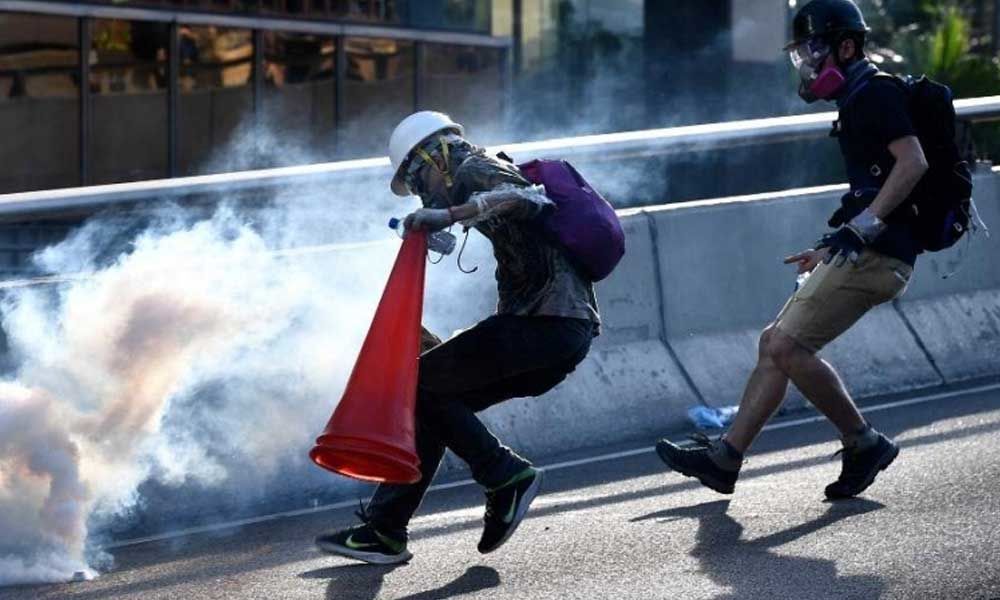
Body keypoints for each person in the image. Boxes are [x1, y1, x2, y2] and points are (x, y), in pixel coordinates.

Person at [655, 0, 929, 500]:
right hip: (867, 248)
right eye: (802, 51)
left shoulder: (875, 93)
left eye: (815, 49)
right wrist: (830, 246)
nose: (806, 62)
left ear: (847, 46)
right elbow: (873, 186)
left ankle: (863, 442)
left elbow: (912, 163)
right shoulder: (856, 99)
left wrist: (864, 229)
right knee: (773, 343)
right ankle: (725, 460)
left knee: (786, 346)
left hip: (882, 253)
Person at [315, 111, 601, 563]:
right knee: (430, 400)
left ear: (434, 156)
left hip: (546, 324)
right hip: (555, 332)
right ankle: (385, 530)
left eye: (417, 179)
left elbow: (527, 199)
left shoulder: (473, 165)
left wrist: (448, 213)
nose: (420, 192)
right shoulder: (468, 177)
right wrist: (443, 224)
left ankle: (505, 476)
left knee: (421, 385)